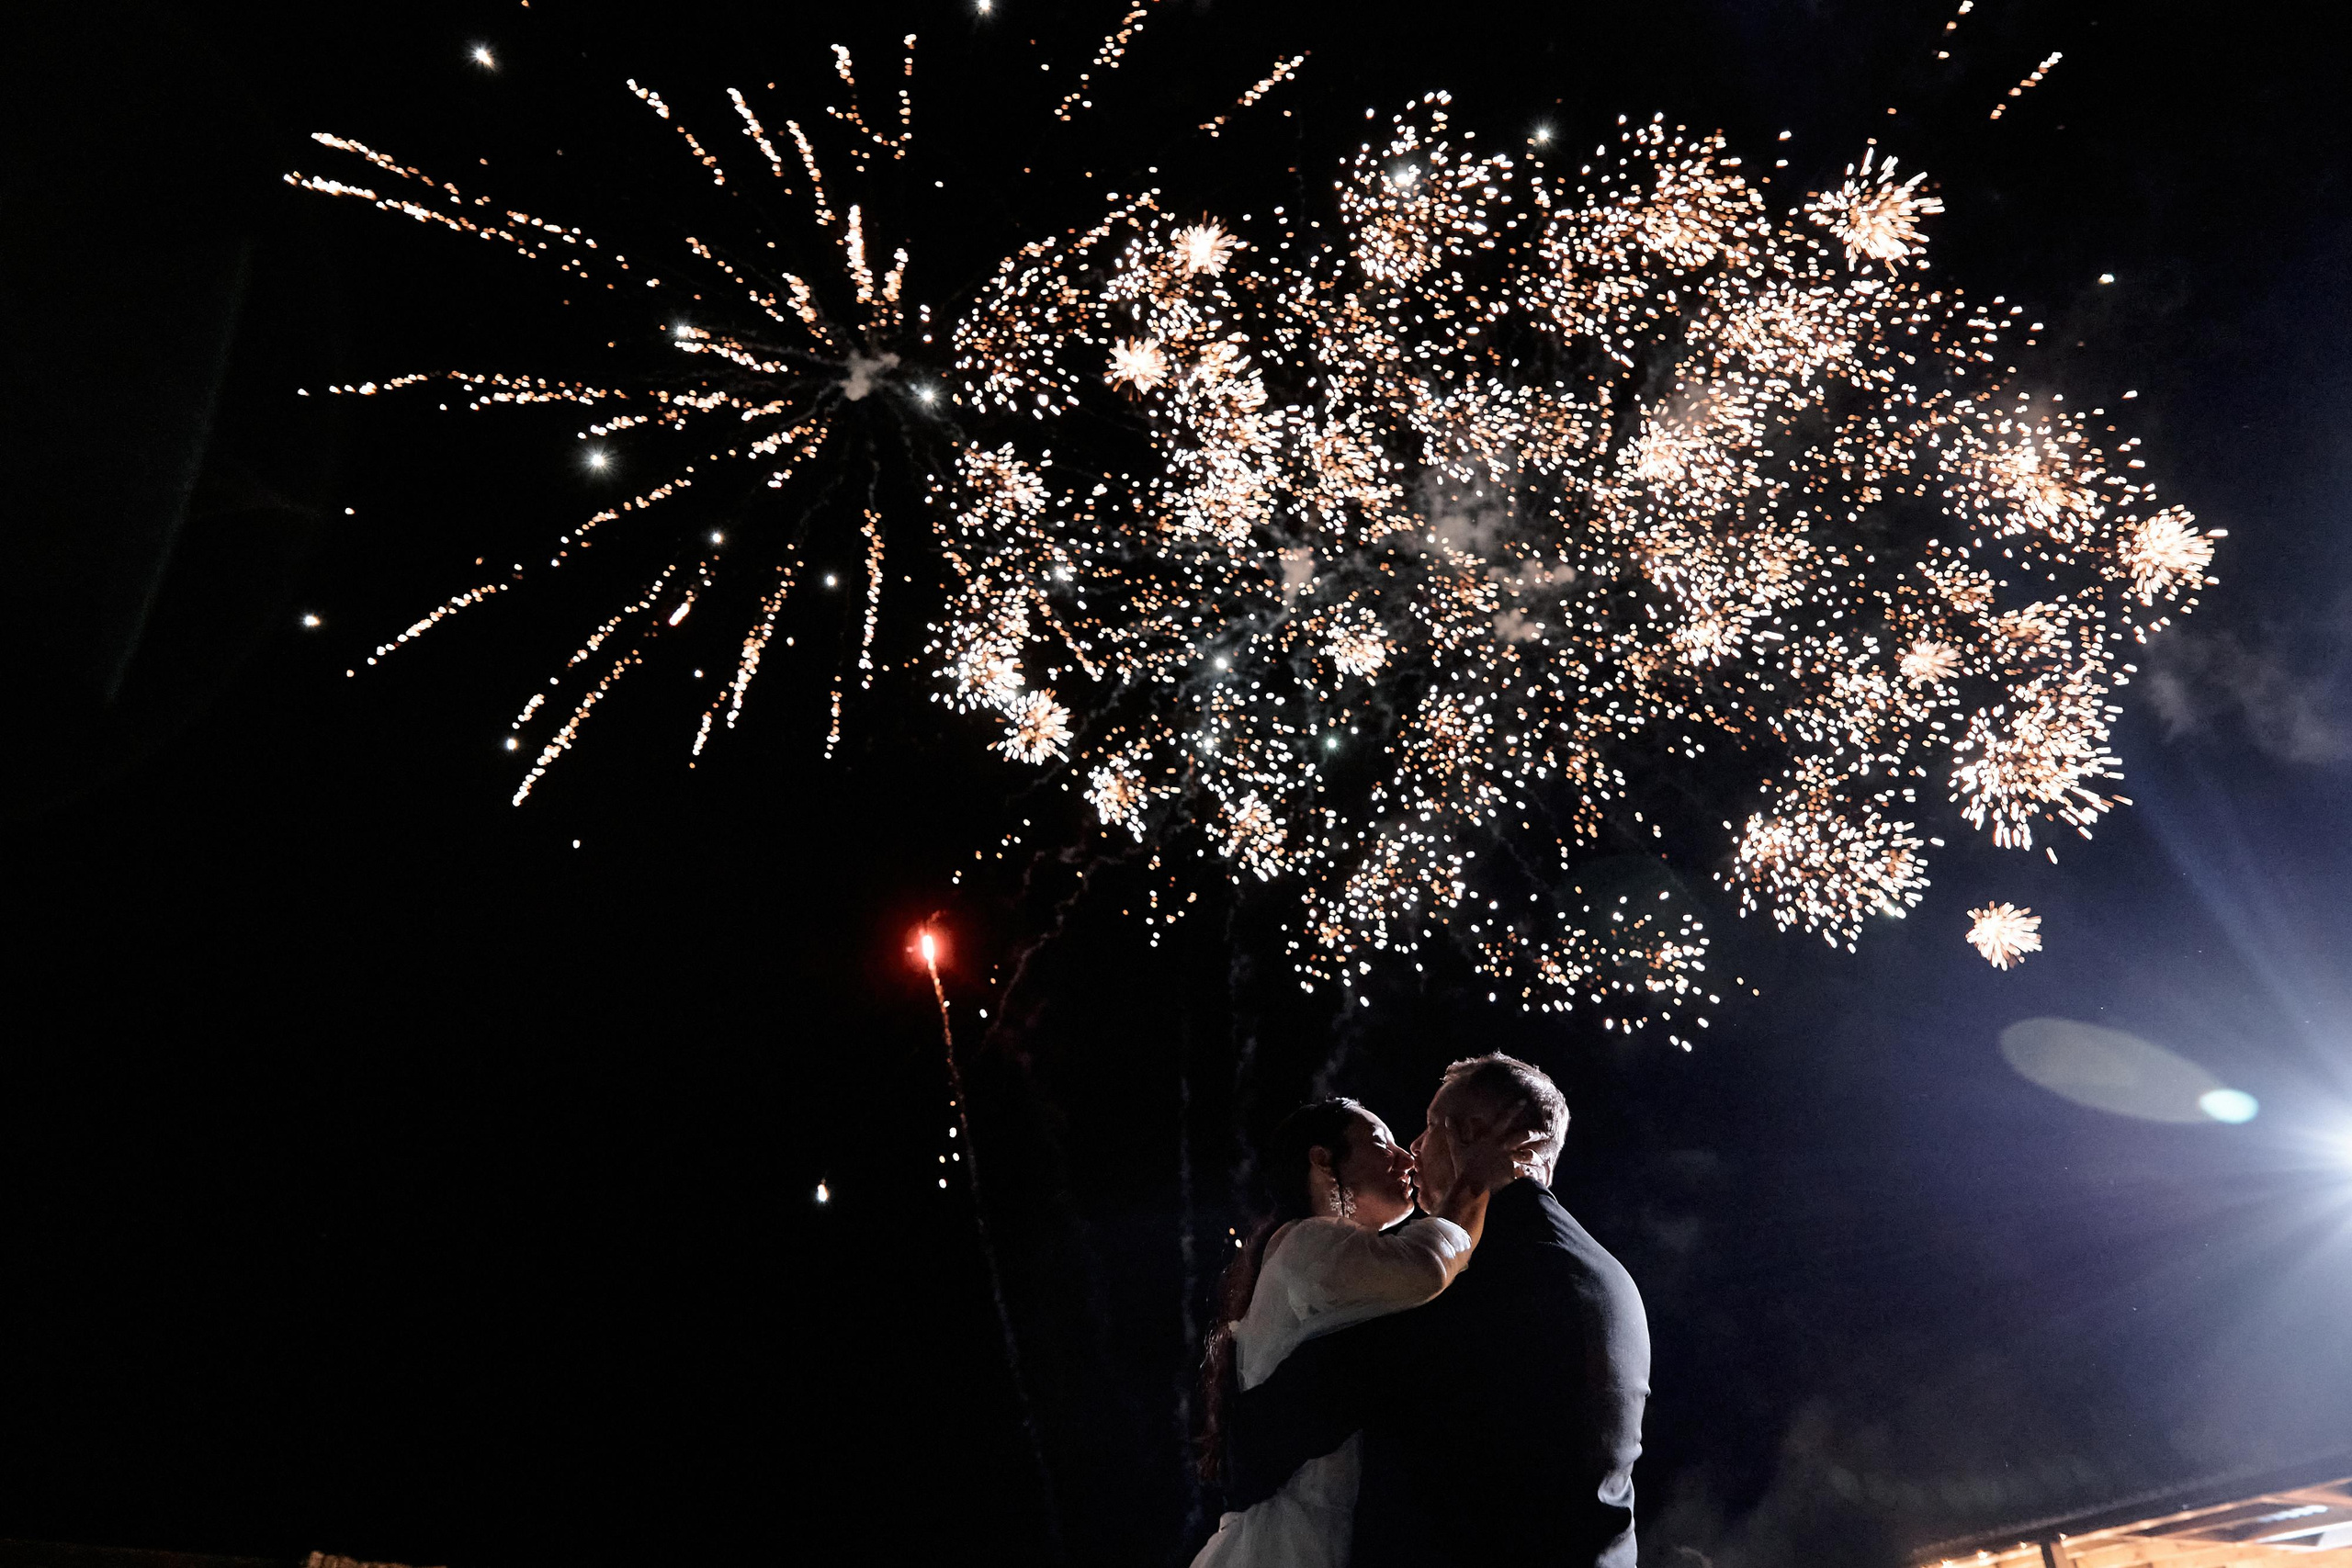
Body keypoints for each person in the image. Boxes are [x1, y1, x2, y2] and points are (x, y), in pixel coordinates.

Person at [1225, 1055, 1652, 1568]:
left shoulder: (1456, 1279)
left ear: (1468, 1134)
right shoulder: (1613, 1278)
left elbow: (1289, 1418)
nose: (1413, 1151)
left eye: (1428, 1130)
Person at [1190, 1097, 1506, 1568]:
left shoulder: (1315, 1255)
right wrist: (1473, 1180)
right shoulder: (1307, 1243)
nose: (1407, 1158)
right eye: (1382, 1144)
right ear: (1323, 1161)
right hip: (1297, 1546)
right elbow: (1426, 1268)